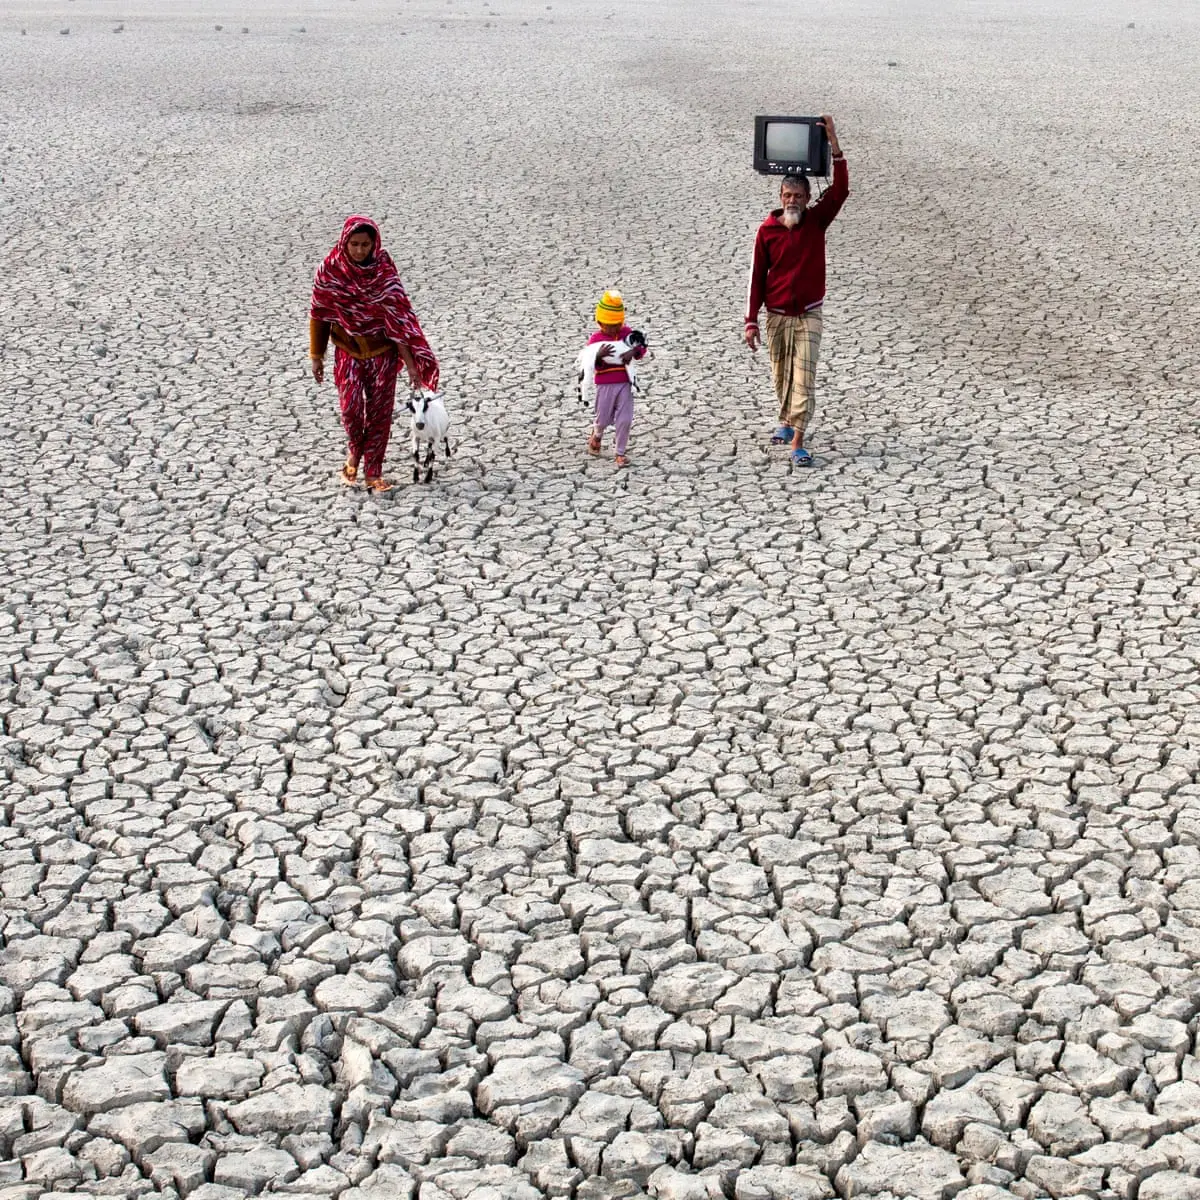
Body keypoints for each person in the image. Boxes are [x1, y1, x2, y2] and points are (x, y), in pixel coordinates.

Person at [744, 114, 849, 467]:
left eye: (799, 195)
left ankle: (798, 441)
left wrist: (834, 144)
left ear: (807, 198)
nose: (793, 200)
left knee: (804, 377)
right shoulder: (768, 231)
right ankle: (787, 420)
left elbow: (841, 190)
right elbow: (757, 276)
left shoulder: (817, 221)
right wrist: (751, 321)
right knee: (782, 375)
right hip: (776, 315)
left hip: (808, 314)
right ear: (780, 195)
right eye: (787, 194)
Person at [309, 215, 438, 493]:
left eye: (364, 245)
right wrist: (316, 355)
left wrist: (412, 364)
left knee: (379, 414)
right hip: (348, 350)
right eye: (354, 244)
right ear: (344, 242)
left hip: (382, 353)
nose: (359, 251)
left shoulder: (384, 273)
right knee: (351, 409)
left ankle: (373, 472)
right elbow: (319, 314)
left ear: (374, 244)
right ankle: (355, 451)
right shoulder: (330, 270)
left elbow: (398, 319)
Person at [583, 290, 647, 469]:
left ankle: (620, 453)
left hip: (625, 384)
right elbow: (589, 363)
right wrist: (599, 356)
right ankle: (597, 435)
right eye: (607, 325)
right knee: (602, 419)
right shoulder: (596, 339)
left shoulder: (627, 333)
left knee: (625, 419)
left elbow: (642, 346)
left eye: (616, 325)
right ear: (599, 322)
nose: (612, 329)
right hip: (605, 385)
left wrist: (633, 352)